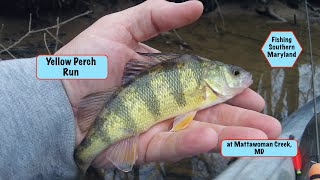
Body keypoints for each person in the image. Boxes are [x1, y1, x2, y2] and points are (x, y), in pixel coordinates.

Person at [0, 0, 281, 178]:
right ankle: (81, 159)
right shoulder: (201, 80)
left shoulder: (202, 82)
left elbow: (183, 118)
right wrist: (61, 87)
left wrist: (55, 88)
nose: (241, 76)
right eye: (234, 73)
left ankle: (80, 161)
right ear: (214, 76)